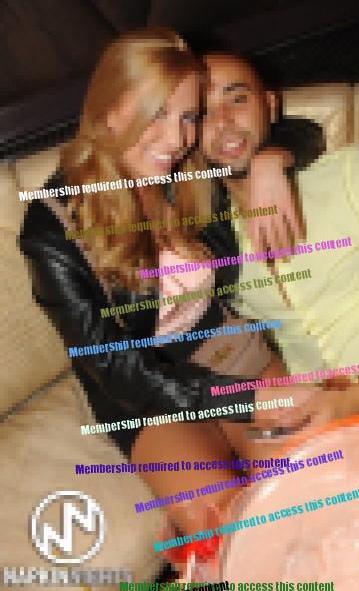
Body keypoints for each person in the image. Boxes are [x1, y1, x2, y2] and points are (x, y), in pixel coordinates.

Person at [19, 30, 292, 542]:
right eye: (157, 113)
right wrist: (235, 399)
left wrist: (269, 162)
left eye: (188, 116)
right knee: (227, 532)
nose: (176, 139)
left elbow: (296, 130)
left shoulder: (187, 172)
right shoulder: (52, 228)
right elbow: (114, 368)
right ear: (109, 110)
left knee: (305, 486)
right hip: (142, 388)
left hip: (227, 347)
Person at [201, 51, 359, 453]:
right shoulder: (213, 244)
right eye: (203, 111)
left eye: (237, 98)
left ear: (270, 105)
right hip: (331, 434)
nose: (223, 121)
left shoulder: (356, 173)